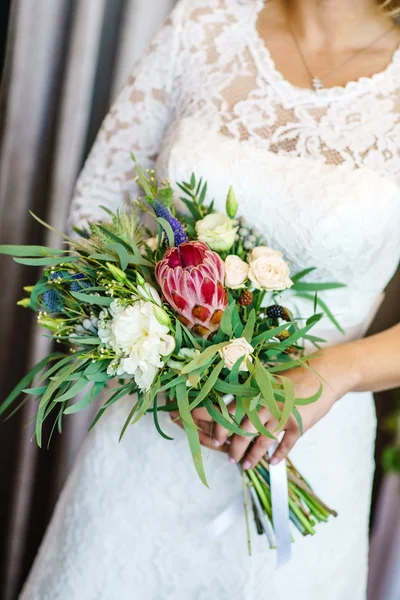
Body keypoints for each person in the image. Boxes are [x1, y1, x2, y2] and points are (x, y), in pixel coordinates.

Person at [19, 1, 400, 598]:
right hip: (152, 432)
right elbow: (96, 217)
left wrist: (336, 370)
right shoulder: (204, 24)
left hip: (309, 445)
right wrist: (168, 370)